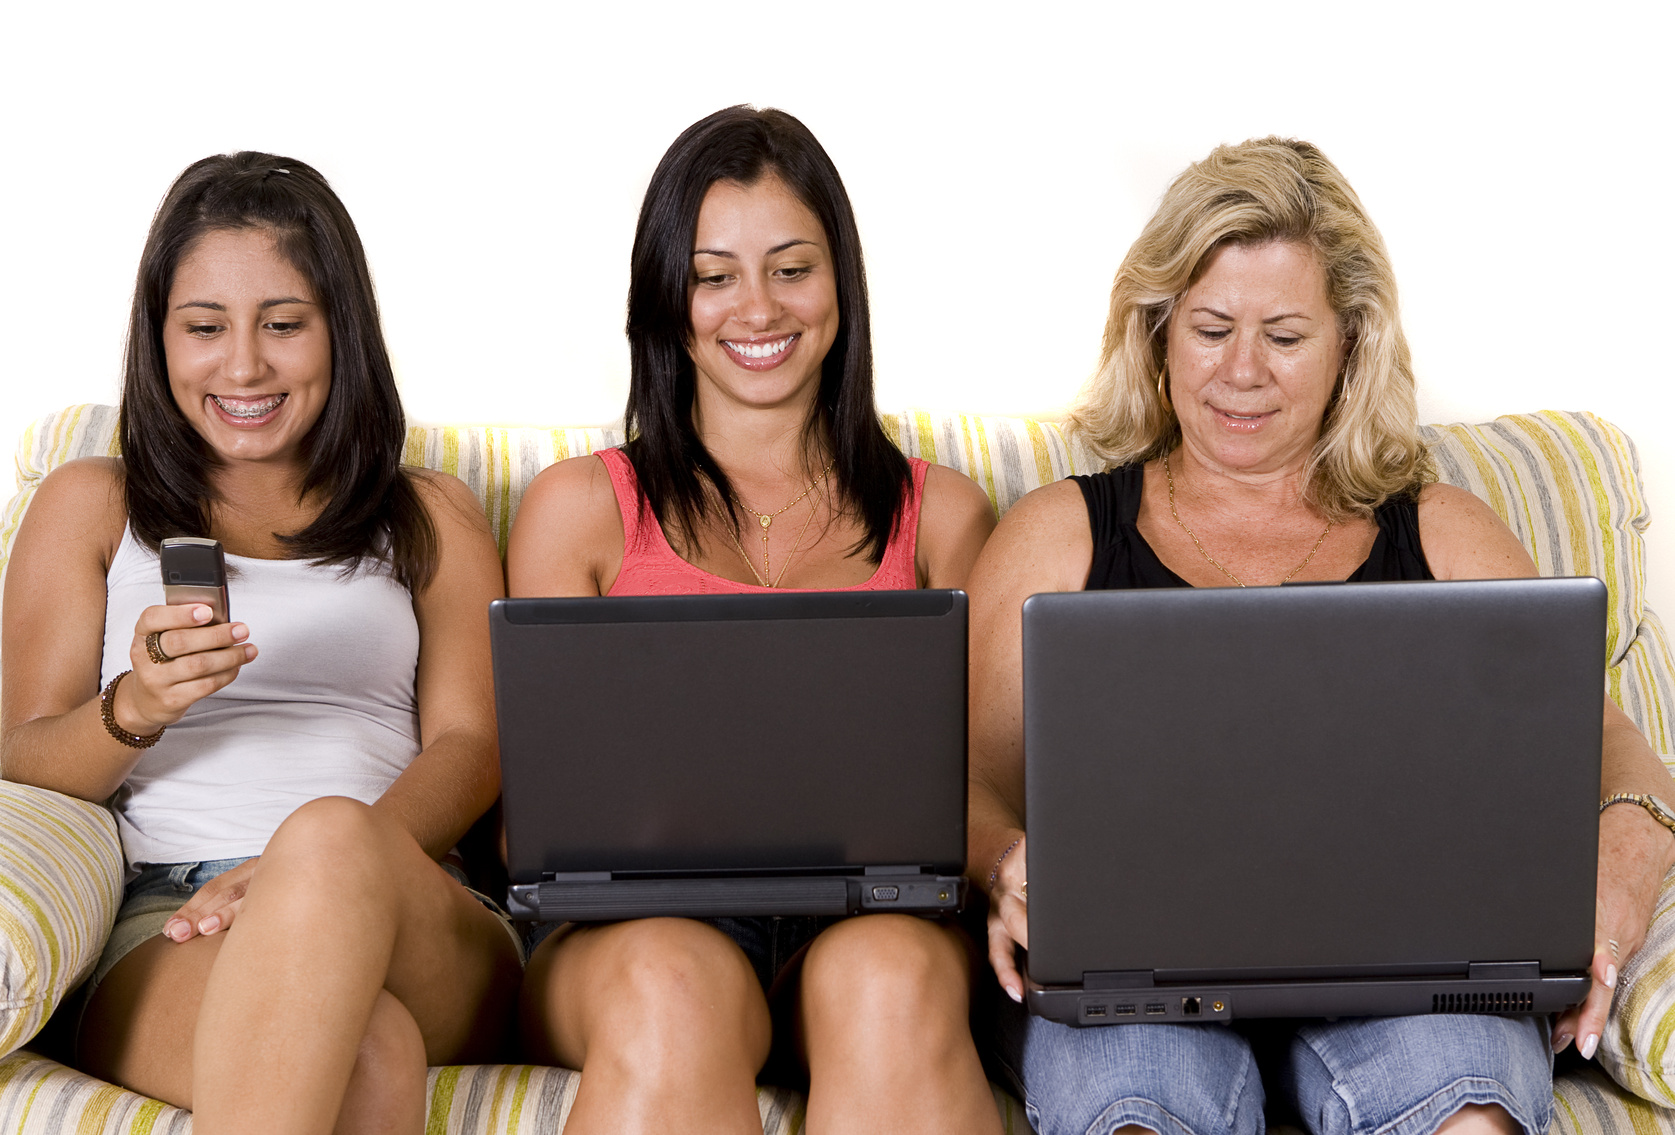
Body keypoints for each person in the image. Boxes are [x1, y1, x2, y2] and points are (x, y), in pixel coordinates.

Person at [964, 136, 1675, 1135]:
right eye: (1211, 328)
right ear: (1157, 334)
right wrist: (1005, 863)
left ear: (1350, 342)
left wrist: (1625, 865)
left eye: (1285, 336)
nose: (1241, 370)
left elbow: (1607, 745)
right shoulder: (1058, 534)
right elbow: (967, 780)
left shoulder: (1442, 532)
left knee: (1467, 1114)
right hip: (1130, 982)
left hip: (1411, 977)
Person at [0, 153, 522, 1134]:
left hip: (408, 897)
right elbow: (21, 754)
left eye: (283, 324)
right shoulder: (90, 503)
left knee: (326, 835)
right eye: (205, 328)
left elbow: (474, 744)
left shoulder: (429, 513)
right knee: (365, 1057)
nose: (243, 367)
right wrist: (135, 708)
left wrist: (326, 862)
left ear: (340, 331)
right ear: (159, 337)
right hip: (175, 916)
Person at [506, 105, 999, 1134]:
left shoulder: (945, 515)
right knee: (669, 983)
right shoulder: (577, 508)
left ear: (840, 282)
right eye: (714, 274)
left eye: (791, 268)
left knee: (890, 980)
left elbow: (985, 787)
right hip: (636, 931)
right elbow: (533, 817)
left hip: (876, 920)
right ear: (666, 295)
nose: (758, 307)